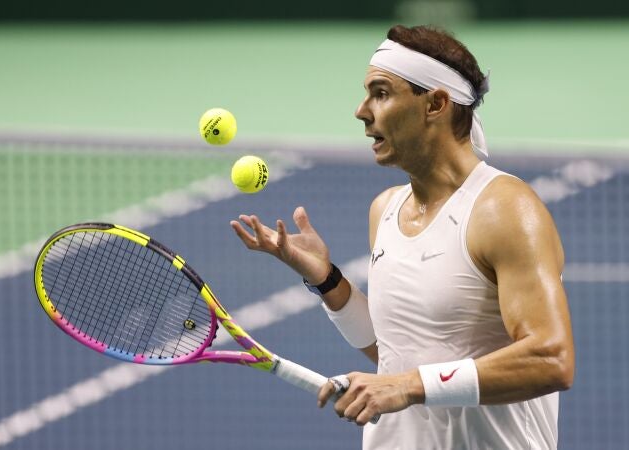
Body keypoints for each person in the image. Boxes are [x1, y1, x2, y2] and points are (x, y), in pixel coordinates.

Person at [230, 25, 574, 449]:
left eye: (381, 93)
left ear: (436, 104)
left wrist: (409, 386)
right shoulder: (386, 209)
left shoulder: (504, 210)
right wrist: (328, 281)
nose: (361, 110)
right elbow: (397, 354)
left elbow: (551, 359)